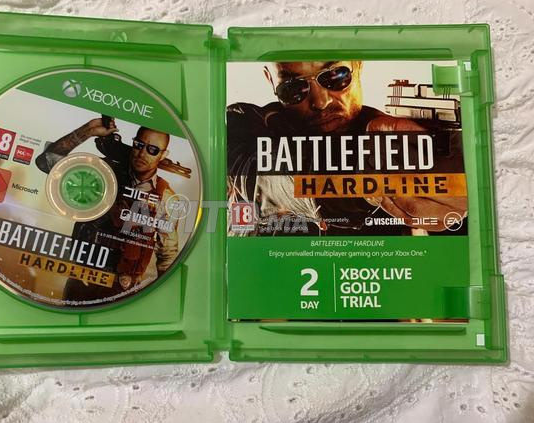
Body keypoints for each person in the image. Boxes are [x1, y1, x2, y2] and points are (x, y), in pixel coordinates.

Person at [227, 61, 467, 235]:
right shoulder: (243, 123)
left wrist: (463, 197)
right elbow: (267, 181)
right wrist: (366, 176)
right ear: (270, 80)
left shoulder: (407, 140)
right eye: (293, 88)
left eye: (335, 76)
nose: (321, 102)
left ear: (358, 65)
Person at [36, 118, 179, 304]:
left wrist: (163, 301)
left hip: (125, 293)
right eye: (139, 145)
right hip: (82, 282)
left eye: (152, 150)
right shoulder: (103, 172)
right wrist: (88, 130)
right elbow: (46, 161)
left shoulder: (166, 198)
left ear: (163, 154)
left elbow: (167, 255)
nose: (142, 153)